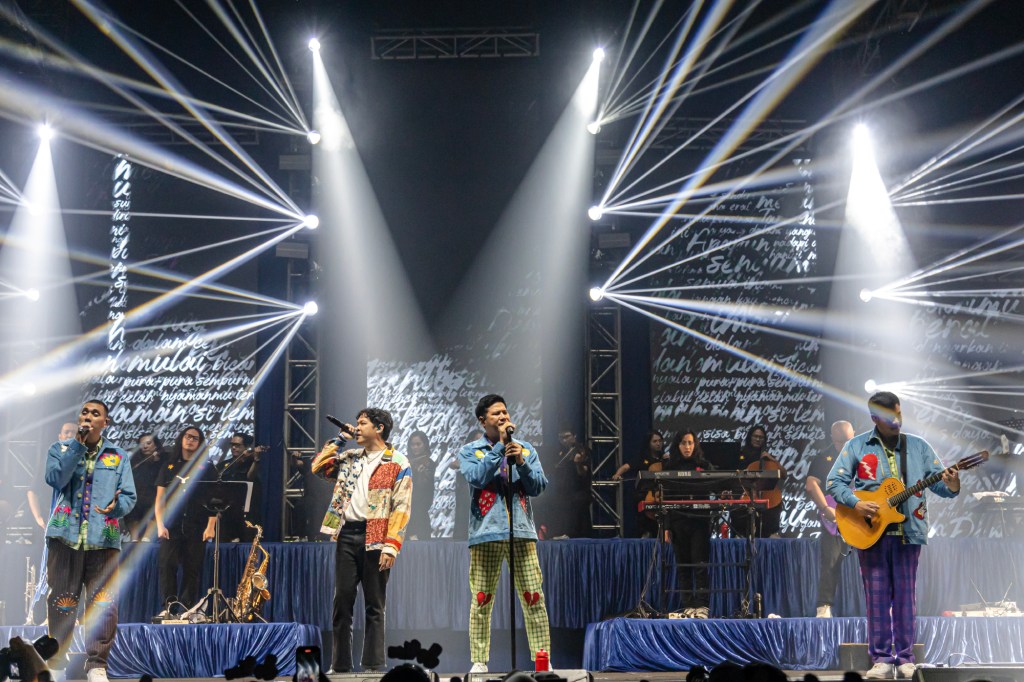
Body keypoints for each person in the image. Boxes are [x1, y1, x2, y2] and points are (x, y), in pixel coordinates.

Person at [827, 392, 960, 680]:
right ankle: (881, 659)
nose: (896, 420)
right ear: (874, 417)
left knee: (905, 598)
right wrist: (856, 503)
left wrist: (952, 484)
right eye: (889, 416)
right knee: (876, 598)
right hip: (870, 532)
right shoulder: (857, 446)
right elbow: (834, 482)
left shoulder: (918, 446)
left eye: (898, 414)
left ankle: (905, 658)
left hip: (908, 532)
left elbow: (940, 486)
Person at [312, 408, 412, 673]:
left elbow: (402, 508)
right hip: (347, 533)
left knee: (374, 604)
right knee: (342, 601)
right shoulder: (350, 457)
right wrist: (340, 439)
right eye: (356, 423)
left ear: (379, 428)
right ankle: (340, 664)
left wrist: (392, 545)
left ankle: (373, 665)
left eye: (362, 423)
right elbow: (318, 467)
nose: (356, 427)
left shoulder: (397, 462)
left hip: (376, 536)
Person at [44, 399, 136, 682]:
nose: (88, 416)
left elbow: (129, 496)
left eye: (95, 414)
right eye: (84, 412)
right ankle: (57, 663)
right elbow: (56, 478)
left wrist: (117, 508)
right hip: (65, 537)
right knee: (62, 602)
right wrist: (77, 446)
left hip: (103, 540)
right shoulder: (60, 449)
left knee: (103, 604)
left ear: (105, 423)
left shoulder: (118, 456)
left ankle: (97, 665)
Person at [459, 394, 550, 673]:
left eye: (505, 412)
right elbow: (476, 477)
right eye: (496, 413)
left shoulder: (525, 449)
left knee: (534, 597)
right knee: (482, 599)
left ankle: (542, 660)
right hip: (486, 533)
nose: (503, 417)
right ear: (482, 420)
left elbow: (538, 486)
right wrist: (499, 447)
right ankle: (479, 661)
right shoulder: (470, 450)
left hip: (521, 532)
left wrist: (521, 461)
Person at [154, 426, 218, 614]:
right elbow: (160, 499)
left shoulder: (207, 467)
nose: (190, 440)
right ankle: (169, 607)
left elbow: (214, 500)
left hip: (197, 525)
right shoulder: (168, 466)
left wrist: (211, 526)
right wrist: (160, 525)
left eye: (195, 438)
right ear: (181, 439)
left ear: (200, 443)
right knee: (167, 565)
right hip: (171, 525)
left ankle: (186, 608)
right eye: (187, 436)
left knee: (192, 568)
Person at [25, 422, 79, 625]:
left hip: (75, 525)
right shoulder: (50, 460)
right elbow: (32, 491)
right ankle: (50, 617)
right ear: (60, 435)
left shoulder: (84, 461)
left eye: (74, 433)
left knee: (74, 572)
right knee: (52, 571)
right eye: (67, 432)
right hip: (52, 524)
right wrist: (39, 518)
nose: (70, 435)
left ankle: (71, 616)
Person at [663, 430, 715, 618]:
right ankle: (688, 605)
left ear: (695, 445)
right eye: (684, 443)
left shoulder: (704, 465)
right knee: (683, 566)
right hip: (678, 521)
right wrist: (666, 527)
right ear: (677, 445)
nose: (687, 447)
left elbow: (717, 484)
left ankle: (702, 606)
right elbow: (666, 500)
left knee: (700, 564)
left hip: (700, 521)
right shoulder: (670, 467)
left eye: (690, 443)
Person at [805, 420, 854, 618]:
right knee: (830, 561)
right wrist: (825, 508)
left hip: (859, 514)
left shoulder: (864, 455)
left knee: (872, 560)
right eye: (839, 441)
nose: (844, 445)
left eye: (847, 440)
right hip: (834, 517)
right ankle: (824, 606)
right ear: (832, 438)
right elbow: (811, 484)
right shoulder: (822, 458)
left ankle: (881, 604)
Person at [612, 431, 667, 538]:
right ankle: (645, 532)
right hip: (645, 493)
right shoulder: (642, 457)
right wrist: (617, 474)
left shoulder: (664, 458)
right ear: (649, 443)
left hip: (662, 493)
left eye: (660, 441)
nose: (658, 443)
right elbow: (626, 467)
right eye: (655, 441)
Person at [736, 425, 786, 538]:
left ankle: (771, 535)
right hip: (746, 493)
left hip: (769, 497)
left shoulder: (768, 457)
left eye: (761, 437)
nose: (758, 439)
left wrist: (773, 460)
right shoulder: (741, 455)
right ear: (750, 437)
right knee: (739, 512)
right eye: (755, 436)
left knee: (774, 508)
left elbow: (784, 475)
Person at [219, 432, 266, 540]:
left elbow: (250, 477)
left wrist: (256, 460)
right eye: (232, 445)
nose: (234, 448)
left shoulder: (251, 463)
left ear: (246, 447)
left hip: (246, 513)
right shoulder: (224, 465)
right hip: (227, 512)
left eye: (238, 445)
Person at [550, 428, 592, 538]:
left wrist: (578, 464)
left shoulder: (582, 450)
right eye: (561, 438)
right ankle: (561, 532)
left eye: (567, 437)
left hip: (579, 490)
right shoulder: (560, 452)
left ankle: (574, 535)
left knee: (578, 509)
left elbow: (583, 473)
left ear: (574, 436)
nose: (564, 440)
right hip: (564, 490)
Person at [124, 433, 166, 541]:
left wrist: (157, 459)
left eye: (148, 443)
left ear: (156, 445)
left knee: (154, 503)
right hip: (138, 494)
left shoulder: (164, 459)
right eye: (142, 444)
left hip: (155, 494)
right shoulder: (134, 460)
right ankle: (134, 539)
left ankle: (147, 538)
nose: (145, 446)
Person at [405, 430, 437, 540]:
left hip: (421, 511)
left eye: (418, 444)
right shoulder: (404, 462)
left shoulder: (430, 463)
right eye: (412, 444)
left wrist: (420, 474)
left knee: (424, 543)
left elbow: (426, 488)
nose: (415, 447)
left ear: (425, 444)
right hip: (406, 511)